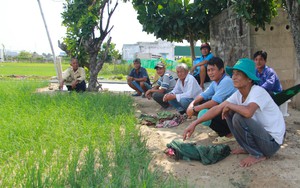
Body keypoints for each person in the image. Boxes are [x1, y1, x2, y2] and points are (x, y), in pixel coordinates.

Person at [183, 58, 286, 167]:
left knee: (238, 116)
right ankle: (247, 148)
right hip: (262, 138)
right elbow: (217, 108)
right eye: (233, 73)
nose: (234, 77)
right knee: (228, 112)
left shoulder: (258, 91)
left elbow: (248, 113)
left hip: (272, 143)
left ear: (249, 79)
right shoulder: (239, 94)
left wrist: (229, 105)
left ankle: (257, 154)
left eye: (239, 74)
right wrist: (194, 123)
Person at [186, 57, 237, 144]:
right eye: (208, 70)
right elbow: (204, 94)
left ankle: (229, 134)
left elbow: (214, 102)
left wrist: (194, 109)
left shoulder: (226, 81)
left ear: (221, 70)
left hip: (234, 115)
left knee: (204, 112)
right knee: (203, 103)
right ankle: (220, 130)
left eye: (212, 70)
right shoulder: (215, 82)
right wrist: (192, 104)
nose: (210, 73)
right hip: (226, 111)